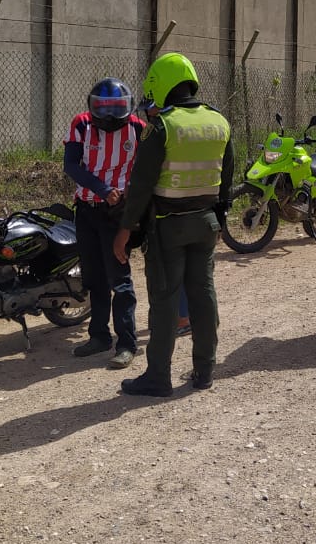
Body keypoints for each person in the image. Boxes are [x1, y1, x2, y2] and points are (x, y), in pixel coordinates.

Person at [113, 52, 234, 396]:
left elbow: (140, 187)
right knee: (203, 295)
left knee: (165, 302)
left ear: (161, 85)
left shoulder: (162, 126)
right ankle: (205, 371)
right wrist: (219, 219)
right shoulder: (219, 121)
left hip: (167, 227)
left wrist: (124, 231)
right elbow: (226, 181)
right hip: (206, 223)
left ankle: (158, 377)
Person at [64, 77, 145, 368]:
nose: (109, 115)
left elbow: (146, 171)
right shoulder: (82, 124)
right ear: (92, 106)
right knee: (94, 278)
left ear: (128, 108)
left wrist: (131, 205)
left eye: (116, 108)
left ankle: (127, 344)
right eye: (103, 108)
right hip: (86, 210)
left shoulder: (137, 128)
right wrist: (102, 189)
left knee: (119, 280)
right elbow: (71, 164)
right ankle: (99, 336)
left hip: (116, 215)